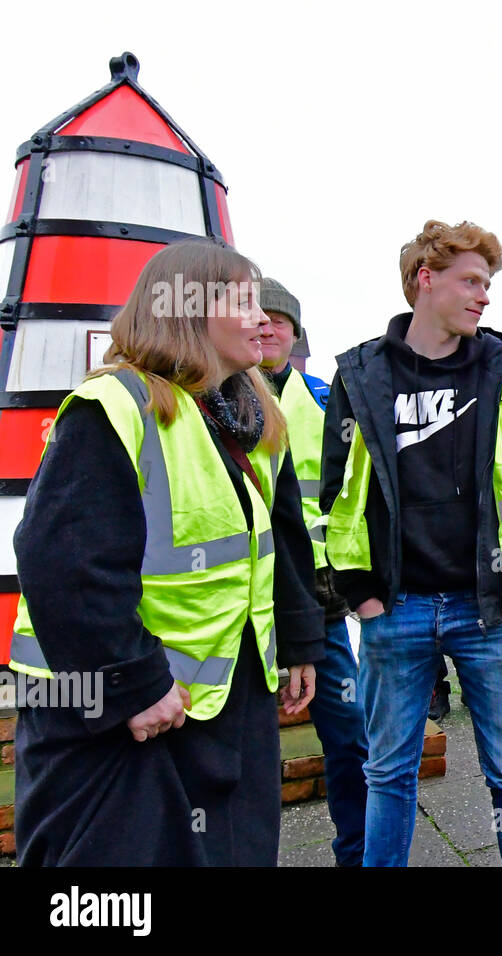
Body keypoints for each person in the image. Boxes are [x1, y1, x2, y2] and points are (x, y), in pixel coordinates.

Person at [9, 239, 322, 865]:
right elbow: (64, 565)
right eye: (244, 303)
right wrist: (130, 685)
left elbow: (279, 539)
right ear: (187, 311)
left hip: (224, 702)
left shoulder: (252, 416)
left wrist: (298, 643)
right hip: (126, 715)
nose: (263, 319)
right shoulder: (115, 406)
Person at [320, 219, 502, 867]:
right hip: (393, 607)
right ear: (425, 280)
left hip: (490, 607)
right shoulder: (359, 374)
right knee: (388, 774)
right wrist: (359, 592)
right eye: (471, 281)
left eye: (488, 283)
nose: (485, 295)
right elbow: (335, 491)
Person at [256, 276, 370, 865]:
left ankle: (357, 851)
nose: (267, 328)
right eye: (257, 317)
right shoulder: (208, 399)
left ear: (295, 334)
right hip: (241, 606)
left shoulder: (326, 402)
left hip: (319, 601)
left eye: (279, 320)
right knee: (243, 754)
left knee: (349, 734)